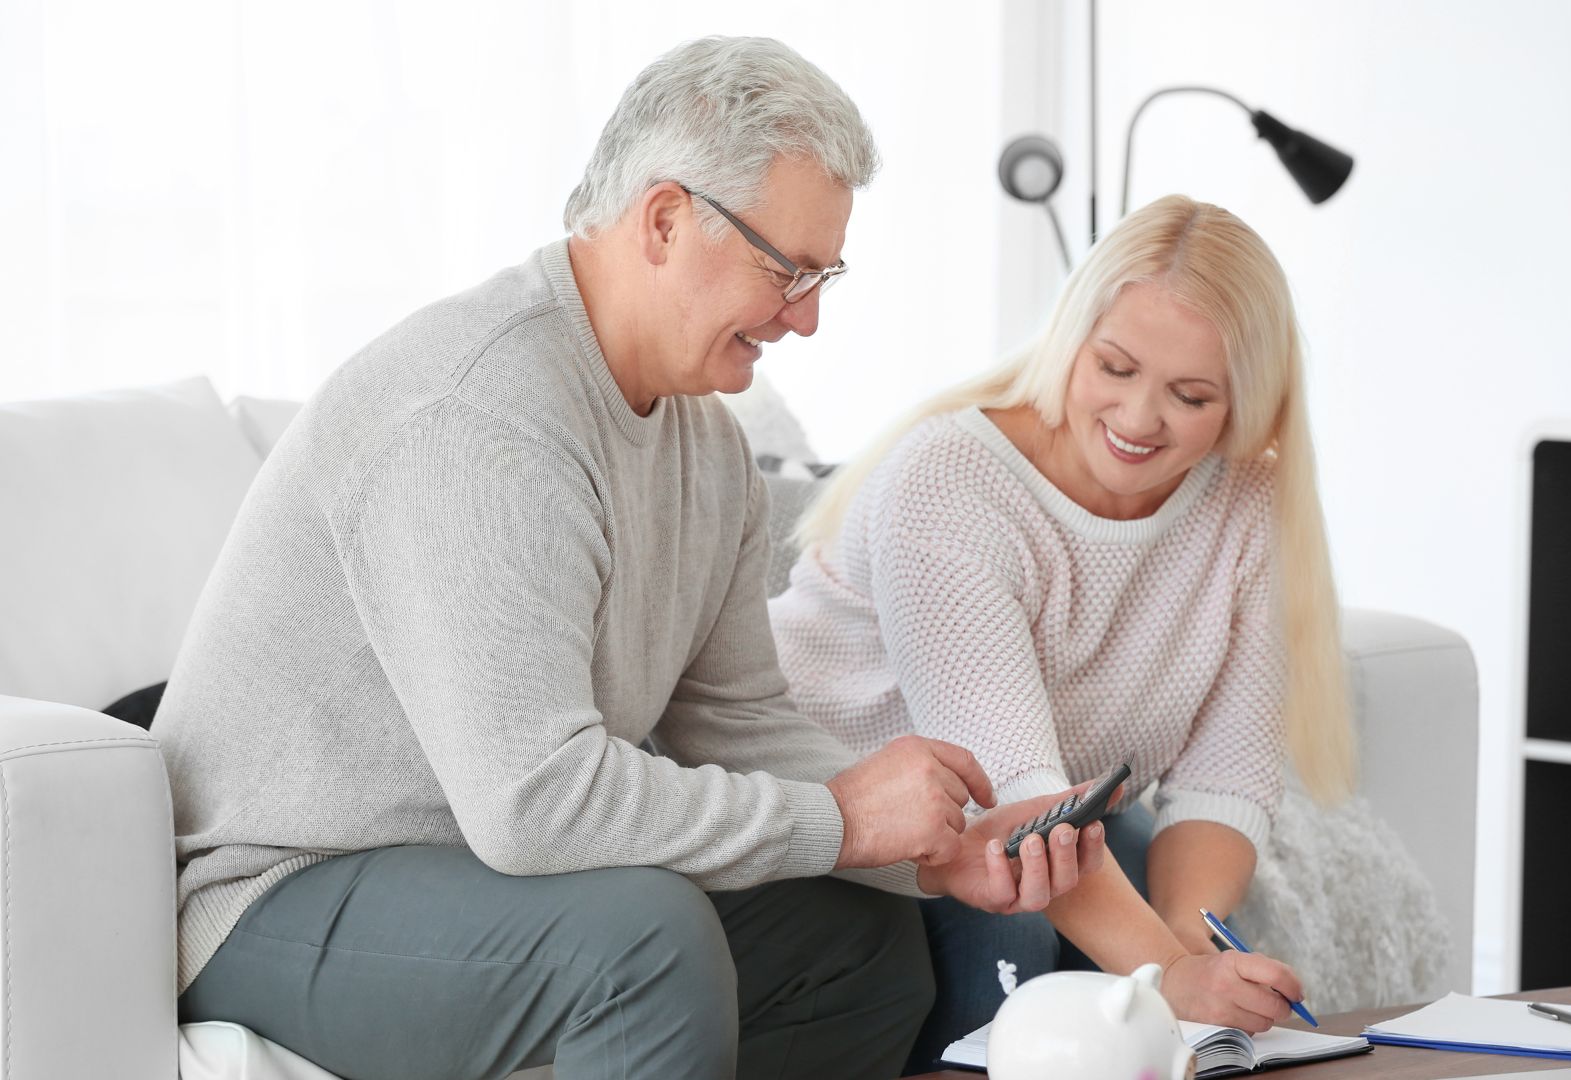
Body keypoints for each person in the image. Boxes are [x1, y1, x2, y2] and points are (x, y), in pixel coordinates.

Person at [153, 36, 1103, 1080]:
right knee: (646, 944)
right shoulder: (481, 415)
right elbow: (535, 802)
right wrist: (838, 821)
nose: (809, 318)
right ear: (663, 221)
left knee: (859, 952)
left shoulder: (711, 451)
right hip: (277, 895)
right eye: (787, 271)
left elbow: (737, 723)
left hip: (469, 872)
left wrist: (938, 845)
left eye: (825, 274)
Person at [768, 194, 1356, 1072]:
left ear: (1245, 405)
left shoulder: (1250, 502)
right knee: (1013, 933)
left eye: (1191, 396)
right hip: (842, 821)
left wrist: (1194, 969)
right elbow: (1012, 794)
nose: (1139, 419)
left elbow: (1223, 782)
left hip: (1032, 825)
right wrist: (1165, 975)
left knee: (1132, 875)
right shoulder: (948, 480)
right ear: (1069, 338)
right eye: (1114, 367)